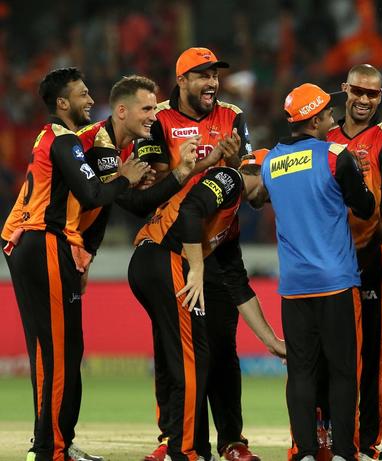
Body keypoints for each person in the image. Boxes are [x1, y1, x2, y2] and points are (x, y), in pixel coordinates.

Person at [1, 67, 149, 461]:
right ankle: (51, 449)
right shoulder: (65, 140)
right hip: (45, 242)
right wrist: (125, 177)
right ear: (63, 103)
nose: (90, 100)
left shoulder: (50, 137)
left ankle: (53, 444)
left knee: (57, 351)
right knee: (58, 353)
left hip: (34, 243)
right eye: (83, 94)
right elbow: (92, 194)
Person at [136, 47, 262, 461]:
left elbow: (249, 181)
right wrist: (199, 164)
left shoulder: (232, 116)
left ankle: (232, 440)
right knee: (171, 348)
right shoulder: (158, 119)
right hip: (175, 248)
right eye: (203, 75)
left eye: (215, 75)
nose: (212, 82)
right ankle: (173, 437)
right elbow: (151, 185)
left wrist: (236, 164)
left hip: (219, 246)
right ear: (182, 80)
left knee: (223, 347)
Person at [128, 151, 286, 461]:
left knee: (181, 356)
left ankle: (188, 446)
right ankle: (183, 450)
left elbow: (237, 284)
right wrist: (197, 268)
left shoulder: (230, 221)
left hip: (151, 263)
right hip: (165, 259)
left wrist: (272, 342)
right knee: (192, 361)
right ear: (264, 173)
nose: (272, 199)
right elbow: (191, 209)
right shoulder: (230, 179)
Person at [263, 82, 375, 461]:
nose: (333, 118)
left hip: (294, 285)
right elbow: (364, 207)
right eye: (328, 113)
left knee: (301, 373)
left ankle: (306, 452)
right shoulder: (335, 156)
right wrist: (360, 178)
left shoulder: (271, 161)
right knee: (343, 371)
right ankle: (343, 452)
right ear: (314, 121)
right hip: (335, 281)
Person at [325, 64, 382, 461]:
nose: (363, 99)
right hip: (327, 262)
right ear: (345, 89)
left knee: (373, 354)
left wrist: (369, 248)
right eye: (357, 90)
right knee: (327, 353)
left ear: (380, 98)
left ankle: (368, 441)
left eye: (372, 94)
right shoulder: (323, 137)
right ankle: (326, 435)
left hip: (371, 259)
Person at [75, 75, 197, 292]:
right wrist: (181, 172)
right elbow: (136, 205)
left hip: (65, 239)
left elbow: (104, 203)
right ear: (122, 111)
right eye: (146, 109)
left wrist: (88, 255)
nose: (154, 117)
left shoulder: (127, 147)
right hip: (42, 235)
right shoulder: (98, 144)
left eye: (154, 109)